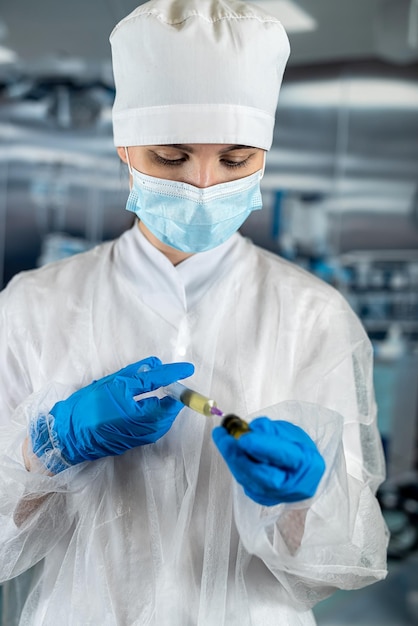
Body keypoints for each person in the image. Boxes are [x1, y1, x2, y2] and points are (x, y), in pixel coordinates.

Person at [0, 0, 388, 624]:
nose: (204, 184)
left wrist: (300, 500)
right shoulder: (36, 305)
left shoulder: (310, 315)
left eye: (234, 161)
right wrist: (49, 445)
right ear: (125, 148)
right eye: (171, 159)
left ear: (263, 156)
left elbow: (344, 559)